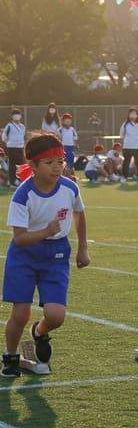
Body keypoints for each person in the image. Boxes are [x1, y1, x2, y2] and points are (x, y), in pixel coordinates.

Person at [2, 132, 89, 377]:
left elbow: (80, 214)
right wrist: (45, 231)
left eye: (60, 161)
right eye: (49, 163)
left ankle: (39, 333)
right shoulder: (23, 195)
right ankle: (9, 356)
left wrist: (83, 247)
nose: (57, 167)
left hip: (57, 254)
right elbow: (20, 238)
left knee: (56, 315)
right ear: (33, 166)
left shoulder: (70, 187)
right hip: (24, 255)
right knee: (20, 313)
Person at [119, 107, 138, 184]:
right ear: (128, 115)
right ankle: (124, 177)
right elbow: (121, 135)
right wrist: (128, 140)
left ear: (137, 115)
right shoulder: (125, 124)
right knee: (126, 162)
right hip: (127, 147)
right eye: (131, 113)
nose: (133, 115)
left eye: (135, 113)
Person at [2, 109, 26, 186]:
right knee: (12, 165)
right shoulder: (9, 126)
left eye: (18, 114)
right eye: (15, 114)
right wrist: (10, 143)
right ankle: (11, 181)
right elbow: (4, 137)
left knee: (20, 165)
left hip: (20, 148)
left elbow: (22, 137)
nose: (17, 116)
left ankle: (18, 180)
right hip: (12, 148)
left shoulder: (22, 126)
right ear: (12, 117)